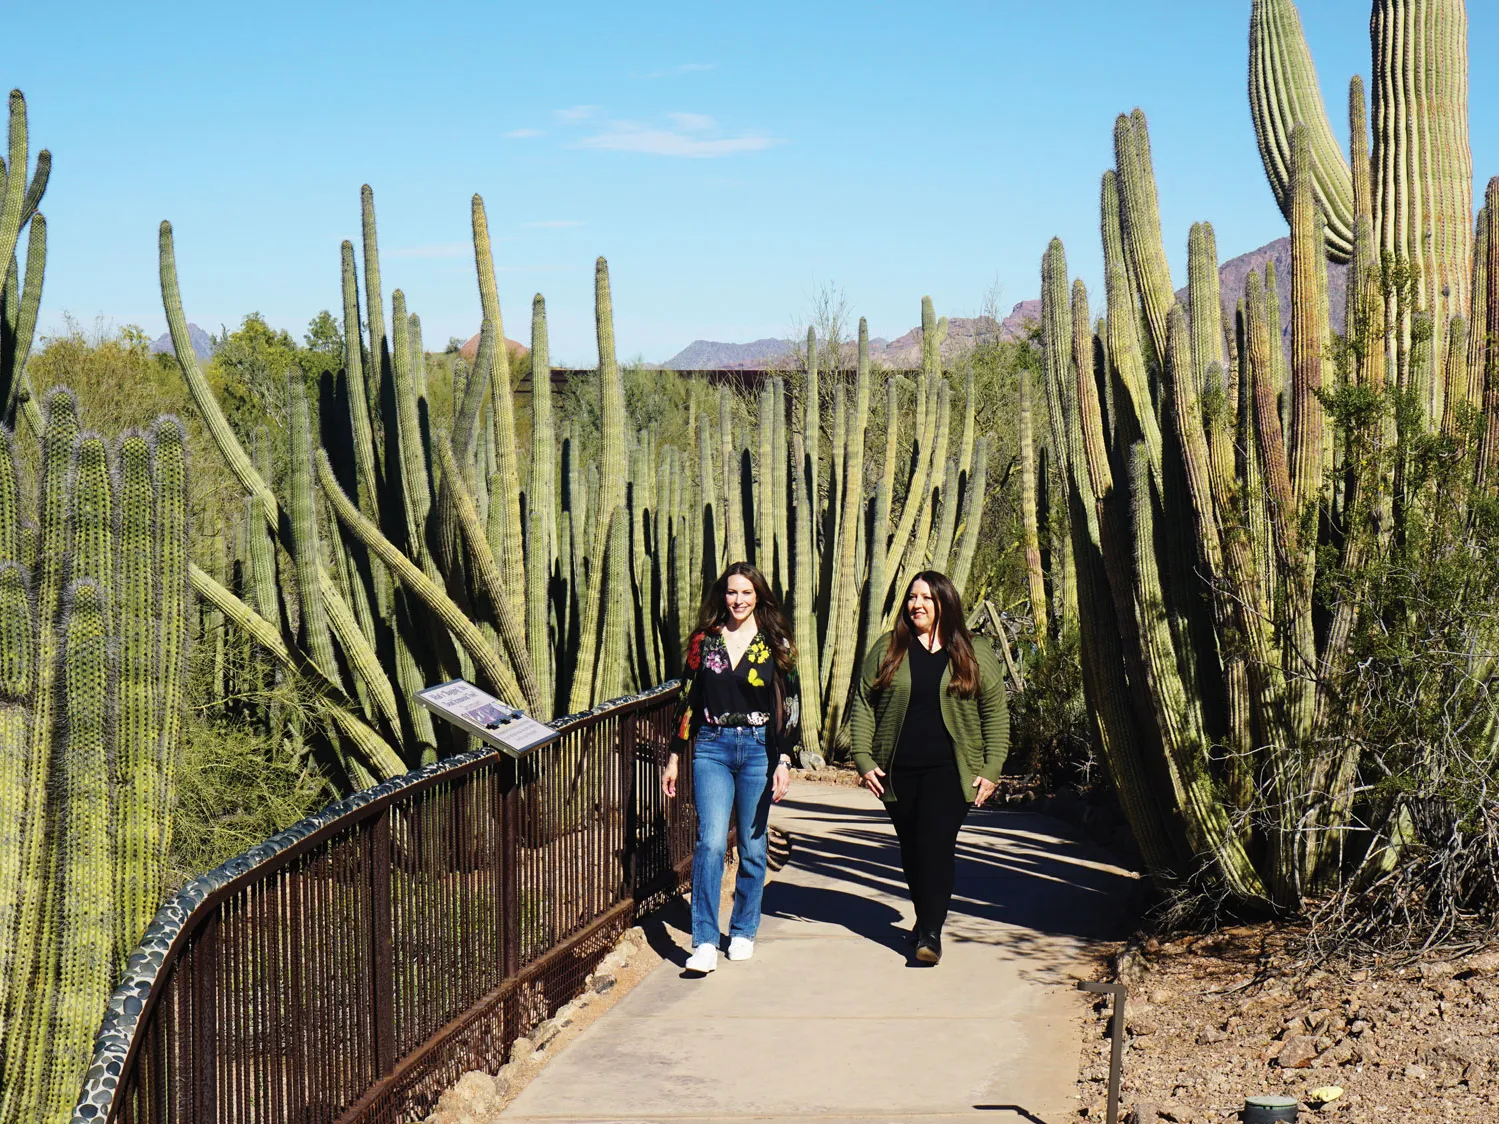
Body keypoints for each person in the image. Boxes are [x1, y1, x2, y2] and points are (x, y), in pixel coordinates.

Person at [848, 570, 1009, 964]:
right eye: (912, 597)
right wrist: (864, 759)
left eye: (926, 598)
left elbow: (996, 714)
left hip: (951, 770)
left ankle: (931, 935)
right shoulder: (889, 648)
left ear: (944, 604)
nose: (916, 604)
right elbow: (863, 704)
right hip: (897, 771)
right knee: (912, 849)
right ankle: (924, 921)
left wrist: (991, 768)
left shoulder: (973, 651)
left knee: (935, 845)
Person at [663, 561, 801, 974]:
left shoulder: (776, 641)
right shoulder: (704, 642)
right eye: (731, 592)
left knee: (754, 846)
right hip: (712, 747)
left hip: (760, 749)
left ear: (758, 594)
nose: (738, 600)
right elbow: (687, 699)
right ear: (722, 596)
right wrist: (674, 755)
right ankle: (704, 940)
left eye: (746, 592)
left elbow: (790, 705)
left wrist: (784, 758)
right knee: (710, 843)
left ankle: (742, 928)